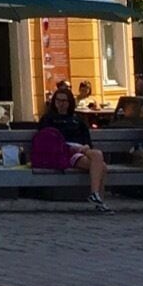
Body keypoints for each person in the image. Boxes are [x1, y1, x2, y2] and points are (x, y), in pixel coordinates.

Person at [29, 83, 110, 211]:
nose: (61, 103)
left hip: (82, 149)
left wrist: (84, 147)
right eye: (58, 100)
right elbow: (46, 140)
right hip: (64, 152)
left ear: (69, 102)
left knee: (97, 156)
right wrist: (72, 148)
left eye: (64, 101)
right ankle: (98, 199)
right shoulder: (48, 119)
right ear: (54, 102)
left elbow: (87, 140)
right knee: (102, 165)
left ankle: (96, 197)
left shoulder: (77, 119)